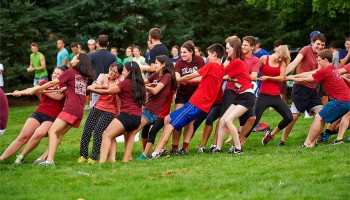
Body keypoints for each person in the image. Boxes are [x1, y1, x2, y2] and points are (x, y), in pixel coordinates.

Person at [149, 43, 225, 158]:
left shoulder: (211, 66)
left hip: (196, 103)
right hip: (199, 104)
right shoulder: (221, 68)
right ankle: (163, 150)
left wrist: (178, 79)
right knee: (168, 118)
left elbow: (191, 76)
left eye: (209, 55)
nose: (208, 58)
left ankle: (156, 153)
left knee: (170, 124)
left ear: (214, 54)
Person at [25, 53, 95, 166]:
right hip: (79, 111)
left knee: (52, 131)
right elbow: (75, 89)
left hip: (70, 109)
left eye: (75, 57)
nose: (72, 58)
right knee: (58, 134)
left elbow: (53, 82)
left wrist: (36, 89)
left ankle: (50, 160)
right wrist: (66, 87)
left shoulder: (71, 72)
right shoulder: (83, 76)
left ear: (78, 61)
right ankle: (43, 158)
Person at [0, 66, 68, 164]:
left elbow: (58, 97)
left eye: (58, 74)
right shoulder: (44, 84)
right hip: (39, 112)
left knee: (38, 133)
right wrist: (20, 92)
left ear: (63, 76)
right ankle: (2, 158)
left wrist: (39, 89)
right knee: (23, 136)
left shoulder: (64, 87)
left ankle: (21, 156)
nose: (55, 75)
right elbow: (31, 89)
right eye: (54, 72)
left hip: (51, 117)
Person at [286, 49, 350, 147]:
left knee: (319, 117)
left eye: (319, 60)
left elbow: (306, 79)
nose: (318, 62)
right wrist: (293, 75)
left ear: (325, 60)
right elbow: (309, 74)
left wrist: (289, 78)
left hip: (342, 100)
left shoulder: (325, 71)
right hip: (345, 100)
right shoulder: (332, 68)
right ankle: (311, 142)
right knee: (320, 118)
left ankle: (308, 144)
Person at [88, 61, 146, 163]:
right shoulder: (140, 83)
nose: (122, 72)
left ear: (130, 72)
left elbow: (107, 92)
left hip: (126, 116)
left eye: (124, 70)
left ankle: (101, 162)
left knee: (106, 135)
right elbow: (145, 100)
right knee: (129, 136)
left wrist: (91, 89)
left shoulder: (125, 83)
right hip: (137, 118)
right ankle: (124, 160)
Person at [280, 33, 326, 145]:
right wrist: (283, 75)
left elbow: (317, 72)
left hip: (313, 90)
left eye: (322, 45)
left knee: (322, 115)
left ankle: (314, 139)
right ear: (312, 43)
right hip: (300, 87)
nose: (320, 47)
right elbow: (295, 63)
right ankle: (282, 140)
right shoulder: (306, 49)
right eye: (318, 44)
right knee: (294, 116)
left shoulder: (322, 55)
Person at [131, 55, 175, 160]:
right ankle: (144, 152)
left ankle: (145, 154)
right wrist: (134, 81)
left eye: (156, 63)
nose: (154, 65)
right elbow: (144, 81)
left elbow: (155, 90)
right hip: (149, 107)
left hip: (160, 111)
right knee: (144, 131)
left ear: (163, 64)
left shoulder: (167, 76)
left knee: (152, 131)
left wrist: (144, 87)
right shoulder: (155, 75)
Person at [215, 38, 255, 154]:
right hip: (239, 96)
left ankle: (238, 148)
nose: (226, 51)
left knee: (228, 120)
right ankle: (218, 148)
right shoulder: (235, 61)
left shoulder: (237, 62)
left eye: (228, 48)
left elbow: (220, 72)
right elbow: (225, 76)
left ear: (234, 48)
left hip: (247, 96)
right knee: (222, 120)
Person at [78, 62, 124, 163]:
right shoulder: (102, 76)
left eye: (116, 72)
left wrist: (102, 87)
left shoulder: (121, 80)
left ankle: (94, 157)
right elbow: (94, 86)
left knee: (98, 132)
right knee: (87, 130)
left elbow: (114, 90)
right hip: (97, 106)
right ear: (109, 68)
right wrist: (99, 87)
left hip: (110, 110)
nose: (113, 73)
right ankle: (83, 155)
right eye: (112, 70)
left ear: (120, 74)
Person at [252, 45, 293, 146]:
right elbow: (254, 71)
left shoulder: (282, 62)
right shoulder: (264, 58)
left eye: (282, 58)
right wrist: (255, 77)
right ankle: (241, 140)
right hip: (263, 95)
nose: (279, 59)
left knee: (289, 117)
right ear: (275, 51)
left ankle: (271, 134)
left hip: (275, 96)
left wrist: (268, 77)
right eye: (279, 56)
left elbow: (281, 78)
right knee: (254, 120)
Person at [171, 42, 205, 155]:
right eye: (181, 52)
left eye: (185, 52)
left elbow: (201, 78)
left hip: (195, 94)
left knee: (189, 121)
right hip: (182, 93)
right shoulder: (180, 63)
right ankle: (174, 147)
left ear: (191, 52)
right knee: (177, 118)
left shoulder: (199, 60)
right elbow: (177, 78)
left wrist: (186, 79)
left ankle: (184, 147)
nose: (182, 54)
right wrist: (188, 79)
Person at [90, 35, 116, 107]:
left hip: (96, 83)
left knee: (94, 106)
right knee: (107, 106)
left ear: (98, 43)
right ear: (107, 43)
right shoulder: (112, 56)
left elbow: (89, 69)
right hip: (108, 85)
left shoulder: (92, 55)